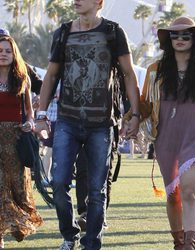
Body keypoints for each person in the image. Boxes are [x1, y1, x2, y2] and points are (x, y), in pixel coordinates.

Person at [34, 0, 140, 249]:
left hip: (102, 124)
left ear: (99, 2)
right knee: (58, 182)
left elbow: (129, 74)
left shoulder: (113, 32)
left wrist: (135, 114)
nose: (75, 0)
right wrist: (40, 115)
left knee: (96, 189)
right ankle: (70, 235)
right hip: (67, 121)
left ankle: (92, 243)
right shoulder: (63, 33)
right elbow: (50, 75)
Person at [124, 16, 195, 250]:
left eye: (185, 35)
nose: (180, 39)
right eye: (175, 35)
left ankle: (190, 245)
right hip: (165, 141)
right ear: (168, 39)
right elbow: (146, 105)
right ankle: (179, 243)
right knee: (174, 195)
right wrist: (133, 118)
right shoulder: (155, 71)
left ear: (194, 39)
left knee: (190, 191)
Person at [0, 34, 43, 249]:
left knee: (17, 188)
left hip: (15, 140)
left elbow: (29, 111)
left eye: (7, 51)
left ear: (14, 53)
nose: (3, 54)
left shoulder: (22, 78)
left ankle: (17, 222)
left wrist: (30, 124)